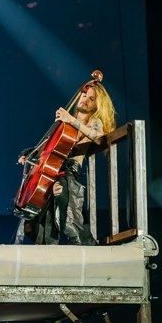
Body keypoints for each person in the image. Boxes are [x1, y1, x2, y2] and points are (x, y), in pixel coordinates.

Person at [18, 78, 117, 245]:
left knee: (73, 220)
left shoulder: (92, 121)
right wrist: (29, 154)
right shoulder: (65, 124)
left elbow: (99, 138)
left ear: (97, 105)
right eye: (84, 95)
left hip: (67, 173)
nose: (85, 100)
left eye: (91, 99)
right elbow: (47, 147)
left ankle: (86, 246)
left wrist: (72, 120)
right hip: (51, 171)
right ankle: (47, 249)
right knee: (36, 221)